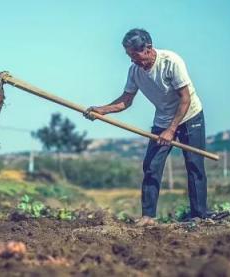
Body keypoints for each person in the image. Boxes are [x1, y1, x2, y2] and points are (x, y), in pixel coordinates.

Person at [84, 28, 207, 226]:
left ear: (148, 48)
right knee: (151, 166)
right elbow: (126, 100)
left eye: (135, 55)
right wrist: (101, 110)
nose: (133, 60)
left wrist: (171, 130)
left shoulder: (171, 62)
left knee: (194, 165)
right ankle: (148, 216)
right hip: (163, 120)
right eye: (129, 56)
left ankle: (199, 216)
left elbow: (185, 98)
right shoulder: (134, 71)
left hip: (190, 115)